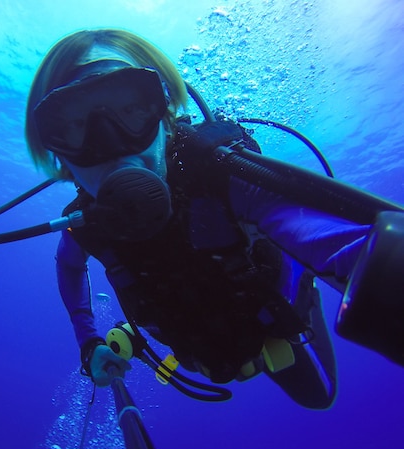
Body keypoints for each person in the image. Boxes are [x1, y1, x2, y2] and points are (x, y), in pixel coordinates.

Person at [24, 29, 373, 410]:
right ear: (56, 152)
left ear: (165, 113)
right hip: (194, 351)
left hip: (271, 329)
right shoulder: (84, 224)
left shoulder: (222, 179)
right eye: (73, 125)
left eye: (131, 109)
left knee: (318, 397)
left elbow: (341, 241)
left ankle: (304, 290)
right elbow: (69, 267)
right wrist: (88, 341)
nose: (109, 143)